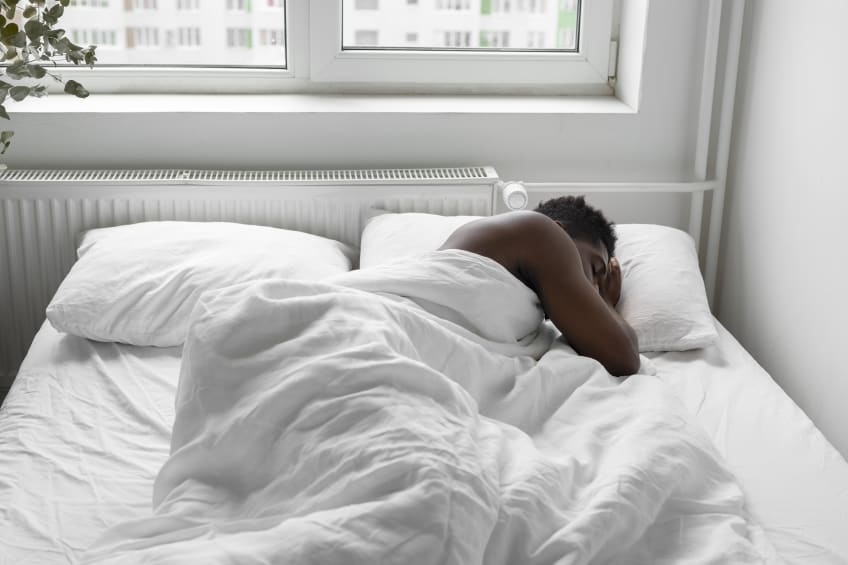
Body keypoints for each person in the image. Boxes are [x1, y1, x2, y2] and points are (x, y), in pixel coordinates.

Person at [439, 195, 640, 376]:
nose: (593, 287)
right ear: (559, 231)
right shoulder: (538, 230)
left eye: (599, 285)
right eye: (595, 269)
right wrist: (606, 301)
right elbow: (624, 359)